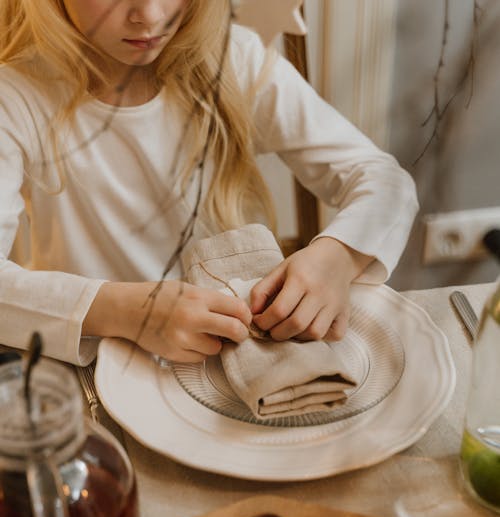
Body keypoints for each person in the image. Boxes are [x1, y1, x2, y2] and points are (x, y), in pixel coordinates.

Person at [0, 0, 418, 366]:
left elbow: (384, 181)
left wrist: (339, 257)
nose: (149, 15)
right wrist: (127, 311)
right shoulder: (16, 95)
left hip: (240, 351)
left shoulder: (235, 59)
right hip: (100, 359)